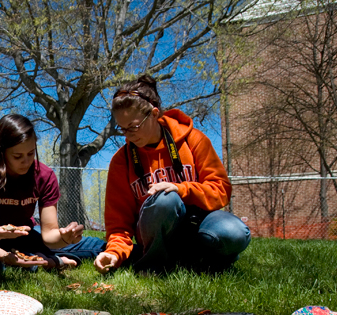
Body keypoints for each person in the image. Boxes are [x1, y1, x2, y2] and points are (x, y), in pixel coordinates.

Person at [94, 75, 251, 274]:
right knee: (164, 201)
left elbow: (221, 190)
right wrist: (114, 253)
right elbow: (118, 224)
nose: (128, 136)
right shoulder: (121, 160)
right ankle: (153, 267)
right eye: (122, 129)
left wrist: (181, 188)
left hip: (199, 223)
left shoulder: (194, 139)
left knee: (233, 232)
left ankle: (201, 261)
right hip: (155, 235)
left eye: (133, 127)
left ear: (154, 113)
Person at [0, 114, 106, 277]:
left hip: (28, 236)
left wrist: (65, 238)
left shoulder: (45, 176)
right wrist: (5, 257)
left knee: (98, 247)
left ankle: (39, 260)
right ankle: (50, 261)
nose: (26, 162)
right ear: (1, 151)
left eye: (31, 153)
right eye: (17, 156)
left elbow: (49, 235)